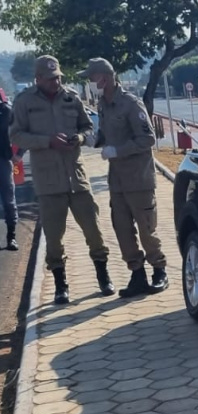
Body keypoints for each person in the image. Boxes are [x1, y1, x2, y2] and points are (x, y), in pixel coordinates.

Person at [10, 55, 113, 304]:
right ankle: (60, 284)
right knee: (53, 238)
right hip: (48, 182)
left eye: (57, 78)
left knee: (94, 231)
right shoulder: (25, 102)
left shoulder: (71, 97)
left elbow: (88, 128)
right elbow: (16, 135)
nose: (55, 82)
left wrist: (78, 139)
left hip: (76, 177)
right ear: (38, 79)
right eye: (49, 79)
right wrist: (46, 141)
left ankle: (103, 275)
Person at [80, 57, 167, 298]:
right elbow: (107, 135)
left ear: (104, 78)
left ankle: (159, 270)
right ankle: (137, 274)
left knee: (147, 229)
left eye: (91, 77)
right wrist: (95, 140)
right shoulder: (103, 105)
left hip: (138, 179)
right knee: (122, 230)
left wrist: (119, 150)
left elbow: (147, 139)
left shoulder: (130, 103)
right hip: (117, 180)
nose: (89, 82)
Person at [0, 88, 18, 250]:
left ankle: (11, 237)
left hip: (3, 160)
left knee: (8, 200)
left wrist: (17, 154)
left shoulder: (6, 111)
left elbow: (18, 131)